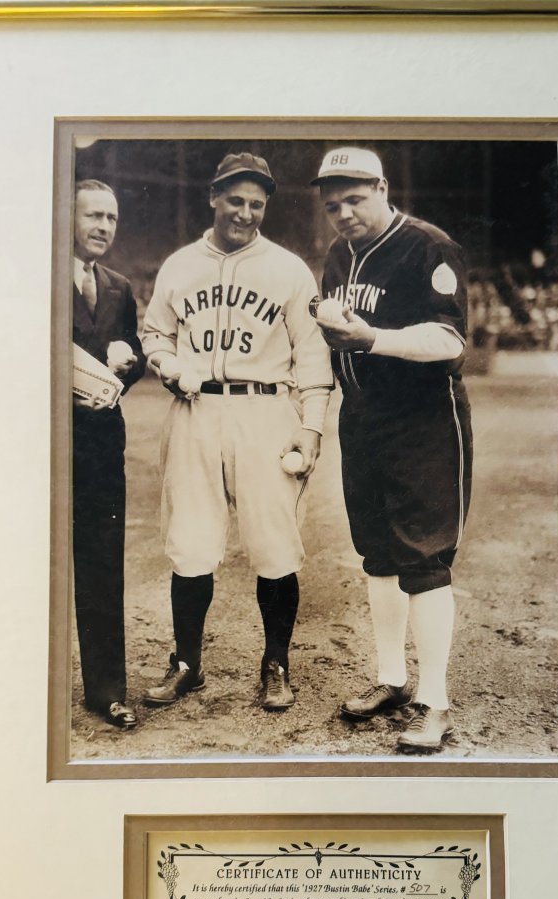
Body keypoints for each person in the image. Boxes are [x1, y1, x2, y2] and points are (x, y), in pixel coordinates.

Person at [141, 152, 333, 711]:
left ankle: (276, 665)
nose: (246, 213)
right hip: (195, 410)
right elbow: (156, 334)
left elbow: (313, 356)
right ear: (213, 197)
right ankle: (186, 664)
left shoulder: (288, 270)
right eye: (235, 201)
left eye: (256, 204)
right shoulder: (179, 265)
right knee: (191, 543)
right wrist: (167, 364)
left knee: (275, 545)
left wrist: (312, 428)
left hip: (266, 412)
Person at [310, 147, 473, 754]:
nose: (344, 214)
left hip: (423, 421)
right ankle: (392, 679)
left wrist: (372, 337)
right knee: (376, 554)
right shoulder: (338, 255)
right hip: (363, 417)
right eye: (333, 206)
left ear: (382, 188)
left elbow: (450, 340)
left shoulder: (427, 247)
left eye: (355, 200)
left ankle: (435, 701)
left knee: (423, 559)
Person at [72, 178, 145, 730]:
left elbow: (133, 358)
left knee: (102, 564)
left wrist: (128, 365)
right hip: (42, 445)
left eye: (111, 217)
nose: (103, 226)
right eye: (93, 215)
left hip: (100, 447)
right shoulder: (36, 276)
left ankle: (107, 690)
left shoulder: (119, 287)